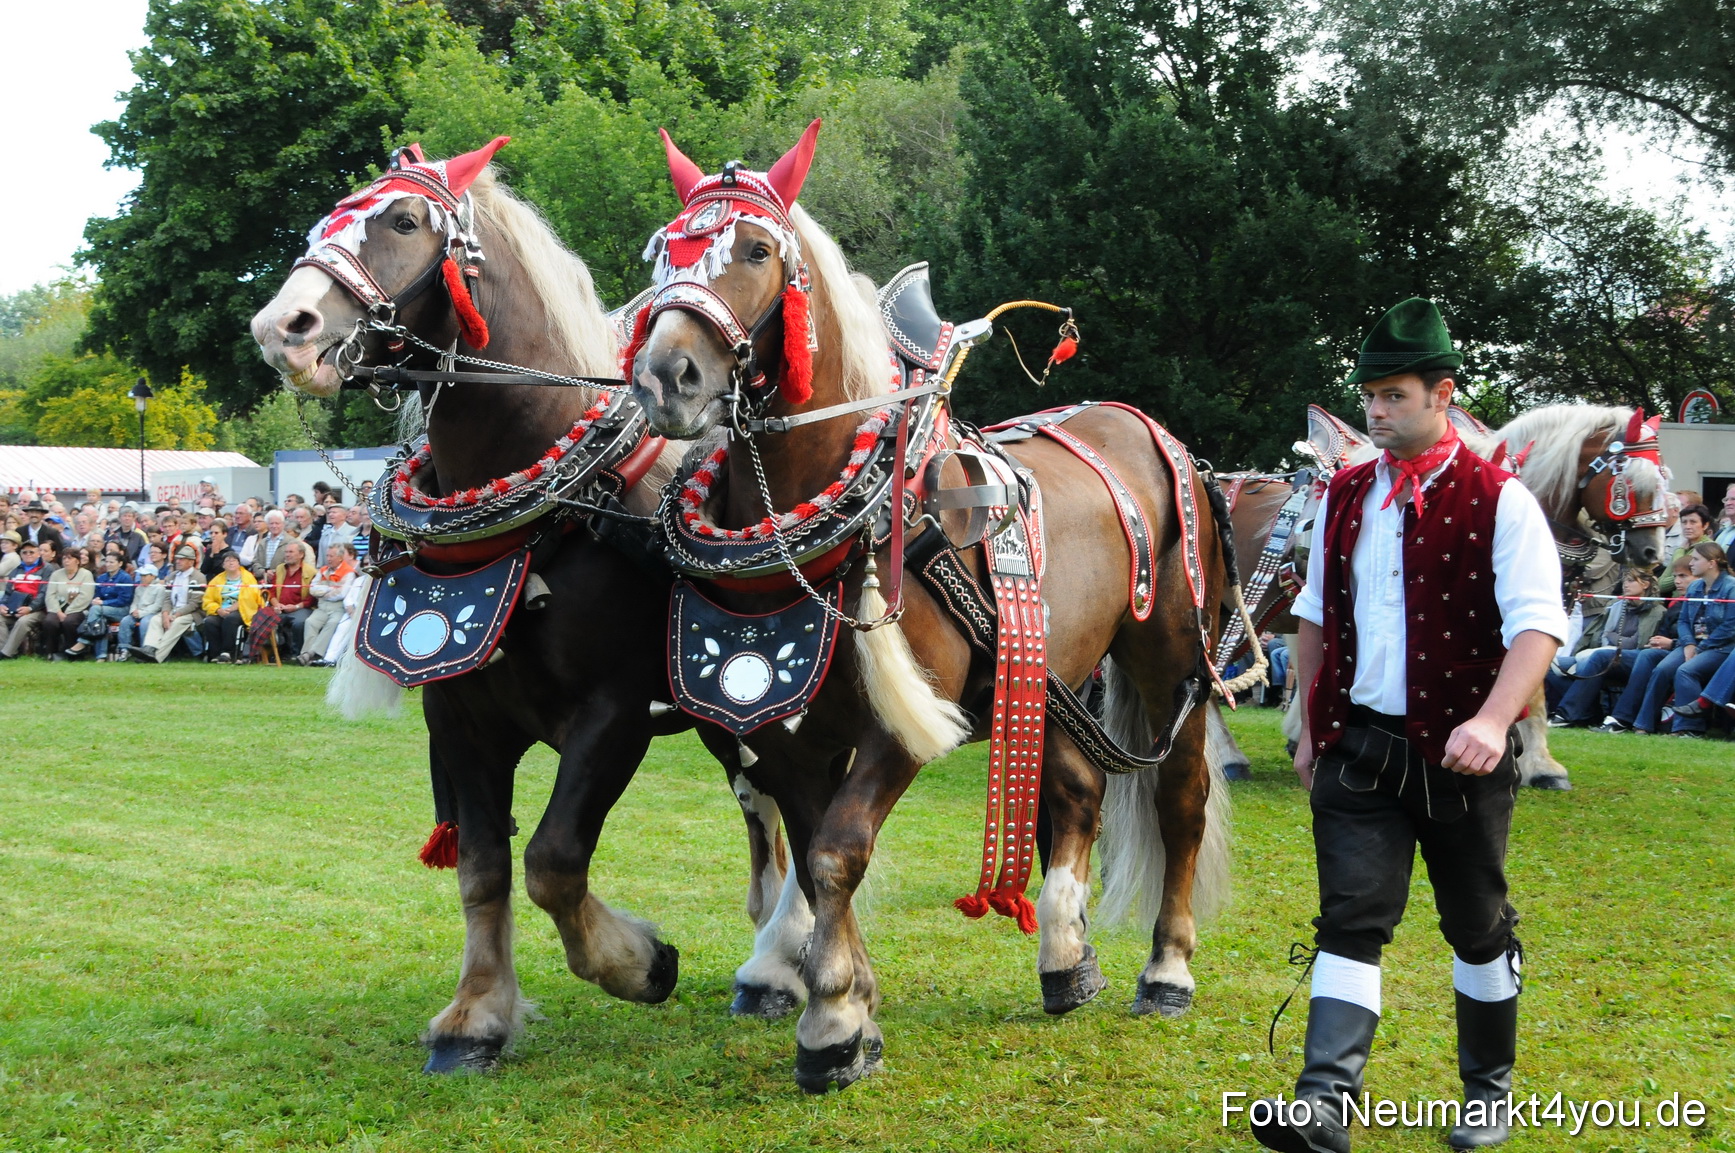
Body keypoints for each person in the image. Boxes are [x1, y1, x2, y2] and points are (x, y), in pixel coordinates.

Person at [1251, 299, 1567, 1153]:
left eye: (1393, 395)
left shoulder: (1499, 499)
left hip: (1461, 757)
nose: (1376, 411)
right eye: (1370, 397)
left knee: (1475, 923)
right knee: (1351, 915)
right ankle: (1322, 1102)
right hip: (1360, 747)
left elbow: (1536, 623)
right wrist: (1309, 723)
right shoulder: (1347, 493)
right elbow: (1314, 613)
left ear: (1442, 394)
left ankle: (1487, 1093)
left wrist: (1496, 721)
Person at [1597, 543, 1735, 735]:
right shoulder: (1695, 587)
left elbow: (1730, 626)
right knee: (1661, 669)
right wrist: (1688, 643)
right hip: (1692, 644)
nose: (1692, 563)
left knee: (1685, 671)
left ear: (1711, 563)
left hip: (1720, 647)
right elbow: (1684, 620)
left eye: (1696, 559)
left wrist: (1701, 648)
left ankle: (1688, 728)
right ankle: (1642, 725)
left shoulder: (1730, 587)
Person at [1546, 570, 1665, 727]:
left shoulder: (1657, 612)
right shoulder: (1614, 605)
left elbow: (1636, 642)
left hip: (1628, 658)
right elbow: (1597, 633)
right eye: (1624, 581)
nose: (1625, 585)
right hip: (1600, 652)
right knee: (1550, 664)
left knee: (1600, 657)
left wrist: (1614, 637)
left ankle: (1566, 714)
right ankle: (1589, 713)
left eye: (1631, 581)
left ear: (1645, 584)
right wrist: (1578, 653)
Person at [129, 545, 208, 662]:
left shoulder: (199, 577)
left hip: (191, 613)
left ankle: (157, 657)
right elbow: (167, 599)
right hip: (172, 610)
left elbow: (194, 604)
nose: (178, 561)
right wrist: (165, 614)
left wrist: (175, 615)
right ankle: (148, 649)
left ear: (191, 562)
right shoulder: (171, 576)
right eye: (177, 559)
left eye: (182, 559)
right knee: (156, 620)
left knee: (176, 624)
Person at [198, 550, 262, 663]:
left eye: (234, 560)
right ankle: (214, 654)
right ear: (223, 565)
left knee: (231, 619)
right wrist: (218, 609)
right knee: (210, 621)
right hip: (221, 610)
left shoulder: (248, 578)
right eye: (227, 561)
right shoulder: (217, 579)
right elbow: (208, 600)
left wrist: (235, 607)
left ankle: (227, 652)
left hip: (241, 610)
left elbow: (252, 597)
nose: (231, 563)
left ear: (239, 563)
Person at [299, 541, 357, 665]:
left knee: (333, 623)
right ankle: (306, 654)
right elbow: (312, 589)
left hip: (338, 608)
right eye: (327, 556)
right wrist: (329, 590)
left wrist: (323, 591)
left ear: (340, 557)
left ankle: (312, 654)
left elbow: (342, 593)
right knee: (310, 622)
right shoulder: (323, 570)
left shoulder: (349, 572)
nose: (328, 559)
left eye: (331, 556)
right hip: (322, 607)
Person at [39, 547, 97, 660]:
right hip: (58, 608)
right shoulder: (56, 574)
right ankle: (51, 652)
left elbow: (85, 596)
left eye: (69, 558)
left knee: (69, 622)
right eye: (64, 558)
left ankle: (72, 652)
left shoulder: (86, 574)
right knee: (49, 621)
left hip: (77, 609)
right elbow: (50, 595)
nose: (66, 561)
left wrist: (69, 611)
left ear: (77, 560)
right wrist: (58, 611)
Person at [79, 551, 138, 659]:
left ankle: (85, 639)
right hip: (103, 610)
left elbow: (124, 600)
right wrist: (96, 599)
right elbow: (97, 594)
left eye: (112, 562)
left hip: (121, 610)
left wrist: (103, 603)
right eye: (106, 562)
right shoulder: (101, 578)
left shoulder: (125, 578)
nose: (108, 564)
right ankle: (101, 655)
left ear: (120, 563)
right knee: (100, 621)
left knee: (95, 610)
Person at [266, 538, 318, 656]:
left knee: (299, 623)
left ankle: (297, 654)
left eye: (291, 552)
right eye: (286, 552)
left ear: (301, 554)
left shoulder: (311, 572)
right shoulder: (280, 569)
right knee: (264, 618)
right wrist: (276, 604)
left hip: (301, 608)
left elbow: (311, 598)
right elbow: (272, 591)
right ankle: (271, 654)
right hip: (279, 607)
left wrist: (295, 607)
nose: (287, 555)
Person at [0, 540, 51, 657]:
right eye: (25, 552)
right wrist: (2, 605)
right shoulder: (17, 569)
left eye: (31, 552)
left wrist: (30, 608)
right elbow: (8, 592)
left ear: (38, 553)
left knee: (23, 621)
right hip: (14, 607)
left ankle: (7, 653)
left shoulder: (47, 569)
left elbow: (44, 594)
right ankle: (5, 649)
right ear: (21, 554)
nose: (28, 554)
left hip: (37, 610)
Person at [1659, 504, 1713, 597]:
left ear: (1705, 525)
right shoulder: (1683, 547)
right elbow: (1661, 584)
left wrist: (1680, 551)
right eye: (1684, 522)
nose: (1687, 526)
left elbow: (1681, 579)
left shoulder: (1709, 548)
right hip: (1676, 602)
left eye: (1693, 522)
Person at [115, 563, 166, 661]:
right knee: (125, 621)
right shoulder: (139, 588)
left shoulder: (160, 588)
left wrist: (142, 613)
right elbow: (135, 602)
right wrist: (133, 611)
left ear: (153, 576)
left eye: (144, 575)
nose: (142, 578)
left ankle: (145, 650)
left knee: (145, 623)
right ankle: (124, 649)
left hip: (151, 614)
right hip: (137, 612)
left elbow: (157, 606)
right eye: (141, 575)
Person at [251, 509, 293, 577]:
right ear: (267, 524)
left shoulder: (290, 542)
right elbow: (255, 562)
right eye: (271, 523)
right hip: (262, 580)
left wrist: (274, 572)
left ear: (283, 524)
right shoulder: (263, 542)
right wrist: (264, 572)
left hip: (282, 579)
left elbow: (291, 562)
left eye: (277, 523)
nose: (274, 526)